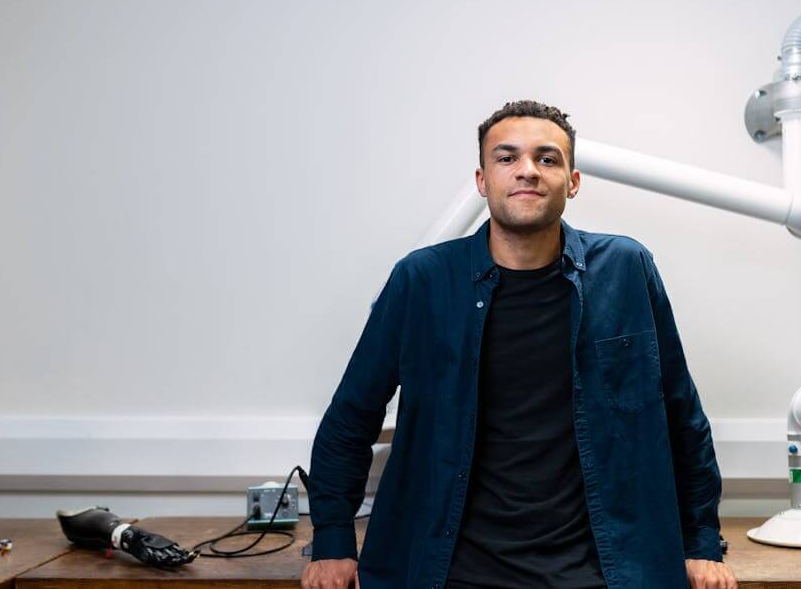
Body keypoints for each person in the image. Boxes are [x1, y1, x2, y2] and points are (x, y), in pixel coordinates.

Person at [301, 100, 737, 589]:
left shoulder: (626, 269)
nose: (527, 171)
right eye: (507, 158)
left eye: (547, 159)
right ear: (482, 180)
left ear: (573, 182)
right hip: (450, 571)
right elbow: (351, 417)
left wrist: (702, 542)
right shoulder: (421, 280)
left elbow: (683, 417)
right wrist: (333, 541)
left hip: (603, 572)